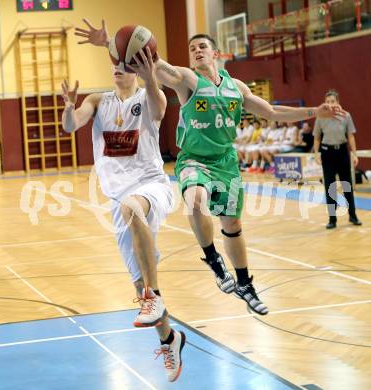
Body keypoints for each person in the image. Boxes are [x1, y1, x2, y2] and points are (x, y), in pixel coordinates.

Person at [75, 19, 344, 317]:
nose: (197, 50)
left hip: (226, 161)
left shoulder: (236, 88)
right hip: (194, 159)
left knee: (232, 226)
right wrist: (111, 42)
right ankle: (213, 260)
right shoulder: (188, 79)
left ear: (216, 53)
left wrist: (313, 112)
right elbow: (156, 63)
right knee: (196, 198)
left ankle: (244, 284)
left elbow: (271, 112)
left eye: (202, 46)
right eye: (192, 49)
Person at [61, 59, 185, 381]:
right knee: (137, 280)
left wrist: (150, 76)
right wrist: (68, 106)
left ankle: (153, 297)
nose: (117, 68)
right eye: (114, 64)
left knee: (133, 207)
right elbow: (71, 125)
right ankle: (170, 339)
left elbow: (159, 110)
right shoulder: (98, 101)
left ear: (136, 71)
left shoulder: (147, 97)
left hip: (151, 186)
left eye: (124, 64)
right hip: (118, 200)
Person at [313, 89, 362, 229]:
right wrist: (316, 154)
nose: (330, 104)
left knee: (347, 185)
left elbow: (351, 136)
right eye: (327, 101)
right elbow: (316, 137)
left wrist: (354, 154)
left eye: (332, 101)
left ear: (338, 102)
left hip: (342, 152)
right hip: (327, 154)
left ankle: (353, 215)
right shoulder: (320, 117)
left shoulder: (346, 116)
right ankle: (332, 219)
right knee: (330, 187)